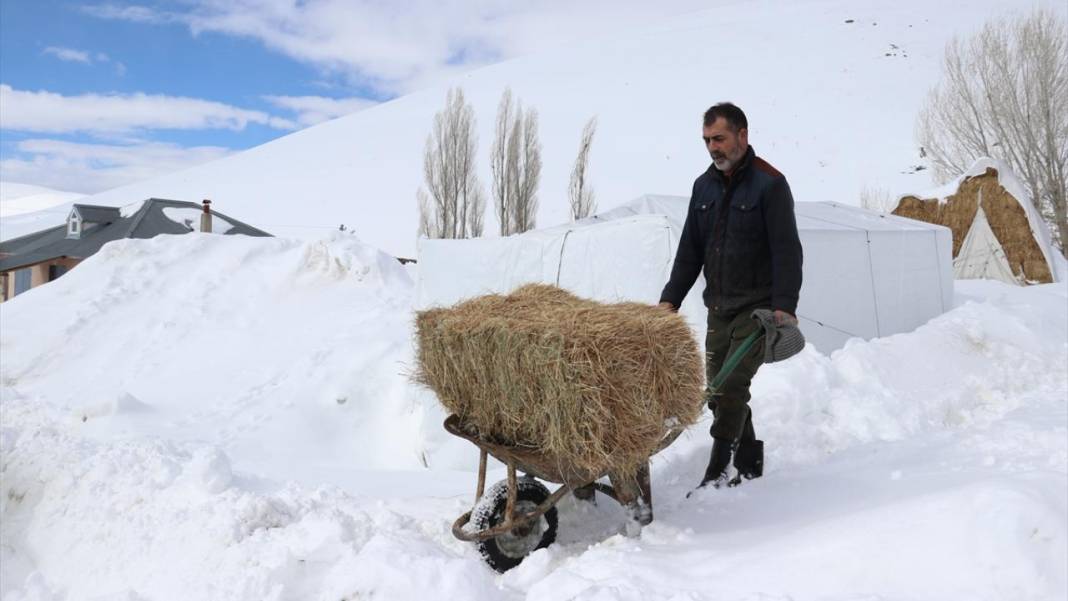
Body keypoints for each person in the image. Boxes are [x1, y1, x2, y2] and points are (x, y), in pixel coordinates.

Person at [658, 102, 803, 490]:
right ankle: (750, 460)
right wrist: (669, 300)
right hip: (718, 310)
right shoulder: (702, 187)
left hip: (756, 311)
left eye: (719, 138)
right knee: (717, 394)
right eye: (707, 140)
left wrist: (784, 308)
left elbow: (787, 250)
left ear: (743, 135)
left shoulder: (770, 184)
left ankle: (718, 472)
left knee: (730, 386)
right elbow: (690, 249)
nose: (712, 148)